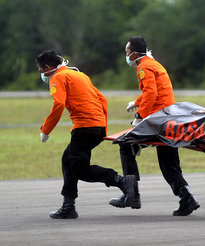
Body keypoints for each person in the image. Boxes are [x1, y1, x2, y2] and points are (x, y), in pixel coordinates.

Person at [37, 50, 137, 219]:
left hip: (84, 127)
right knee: (67, 160)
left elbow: (59, 103)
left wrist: (46, 130)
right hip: (95, 126)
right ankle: (68, 206)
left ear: (47, 67)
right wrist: (102, 127)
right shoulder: (79, 75)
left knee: (80, 169)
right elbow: (102, 99)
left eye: (41, 71)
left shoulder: (57, 77)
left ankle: (121, 181)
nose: (42, 75)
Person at [108, 36, 200, 216]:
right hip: (169, 118)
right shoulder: (154, 64)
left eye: (127, 52)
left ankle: (131, 194)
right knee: (168, 163)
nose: (126, 56)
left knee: (126, 144)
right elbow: (153, 91)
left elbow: (151, 92)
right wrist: (136, 101)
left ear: (134, 54)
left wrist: (139, 117)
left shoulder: (144, 67)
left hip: (158, 120)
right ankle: (187, 197)